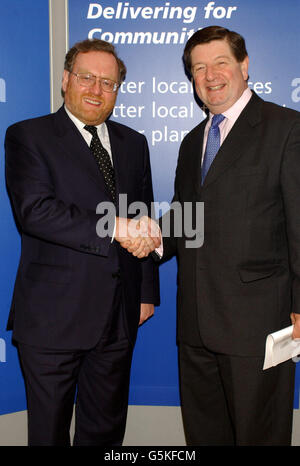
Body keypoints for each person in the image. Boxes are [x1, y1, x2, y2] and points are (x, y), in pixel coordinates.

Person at [5, 38, 160, 446]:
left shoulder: (133, 143)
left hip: (119, 316)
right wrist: (116, 228)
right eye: (87, 78)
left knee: (105, 431)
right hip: (53, 319)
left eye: (108, 83)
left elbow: (140, 216)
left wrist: (146, 290)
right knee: (49, 432)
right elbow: (35, 212)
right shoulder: (28, 136)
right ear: (65, 80)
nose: (96, 90)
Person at [158, 25, 300, 445]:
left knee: (260, 435)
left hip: (257, 324)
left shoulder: (286, 128)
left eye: (220, 62)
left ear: (244, 65)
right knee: (204, 436)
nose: (210, 75)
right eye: (199, 68)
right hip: (195, 325)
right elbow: (185, 219)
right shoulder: (191, 142)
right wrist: (145, 239)